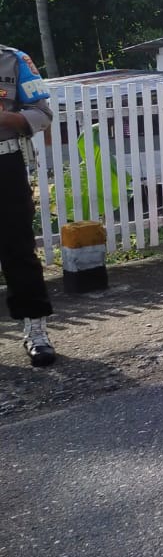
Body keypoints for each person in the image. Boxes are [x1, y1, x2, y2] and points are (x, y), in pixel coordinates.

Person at [1, 44, 56, 366]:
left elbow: (42, 113)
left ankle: (36, 330)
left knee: (18, 250)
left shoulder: (14, 60)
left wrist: (8, 118)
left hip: (5, 166)